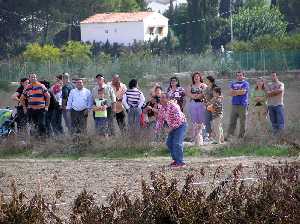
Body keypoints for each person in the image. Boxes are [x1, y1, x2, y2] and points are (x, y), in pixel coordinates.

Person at [155, 93, 187, 168]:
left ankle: (181, 162)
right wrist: (157, 130)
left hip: (181, 125)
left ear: (167, 99)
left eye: (163, 97)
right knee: (169, 143)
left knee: (177, 143)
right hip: (172, 127)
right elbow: (160, 120)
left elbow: (179, 119)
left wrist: (171, 128)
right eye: (160, 98)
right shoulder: (162, 108)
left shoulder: (173, 106)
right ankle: (175, 160)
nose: (161, 99)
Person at [227, 71, 250, 139]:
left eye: (240, 75)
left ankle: (241, 137)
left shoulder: (246, 83)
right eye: (238, 75)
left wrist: (235, 92)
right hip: (234, 104)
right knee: (232, 121)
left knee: (243, 122)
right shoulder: (232, 83)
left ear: (243, 76)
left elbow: (243, 92)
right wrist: (238, 92)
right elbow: (230, 93)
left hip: (243, 105)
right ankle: (230, 136)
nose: (239, 76)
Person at [187, 71, 207, 146]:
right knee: (194, 120)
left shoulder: (203, 85)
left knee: (202, 119)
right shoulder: (191, 85)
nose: (196, 77)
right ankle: (194, 136)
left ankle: (204, 136)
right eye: (195, 76)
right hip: (193, 103)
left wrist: (199, 96)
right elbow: (188, 93)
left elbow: (205, 92)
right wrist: (193, 96)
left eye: (197, 76)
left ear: (200, 77)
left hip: (201, 103)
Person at [204, 75, 218, 141]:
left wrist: (209, 103)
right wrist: (204, 102)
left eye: (206, 80)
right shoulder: (206, 88)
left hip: (214, 107)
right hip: (207, 106)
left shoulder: (215, 88)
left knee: (215, 121)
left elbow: (216, 97)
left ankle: (216, 136)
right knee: (207, 121)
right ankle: (209, 135)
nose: (205, 81)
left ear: (209, 80)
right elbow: (205, 96)